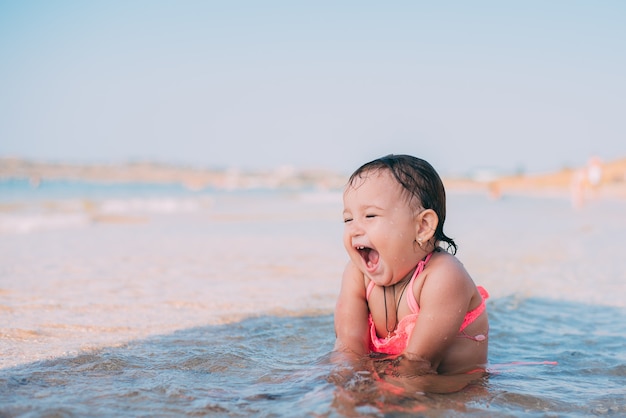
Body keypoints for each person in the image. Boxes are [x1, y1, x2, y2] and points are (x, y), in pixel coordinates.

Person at [334, 154, 489, 393]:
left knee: (408, 385)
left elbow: (417, 365)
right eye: (348, 218)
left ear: (423, 227)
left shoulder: (443, 276)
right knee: (327, 382)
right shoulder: (357, 274)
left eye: (370, 216)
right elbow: (348, 350)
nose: (354, 229)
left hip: (450, 385)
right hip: (392, 371)